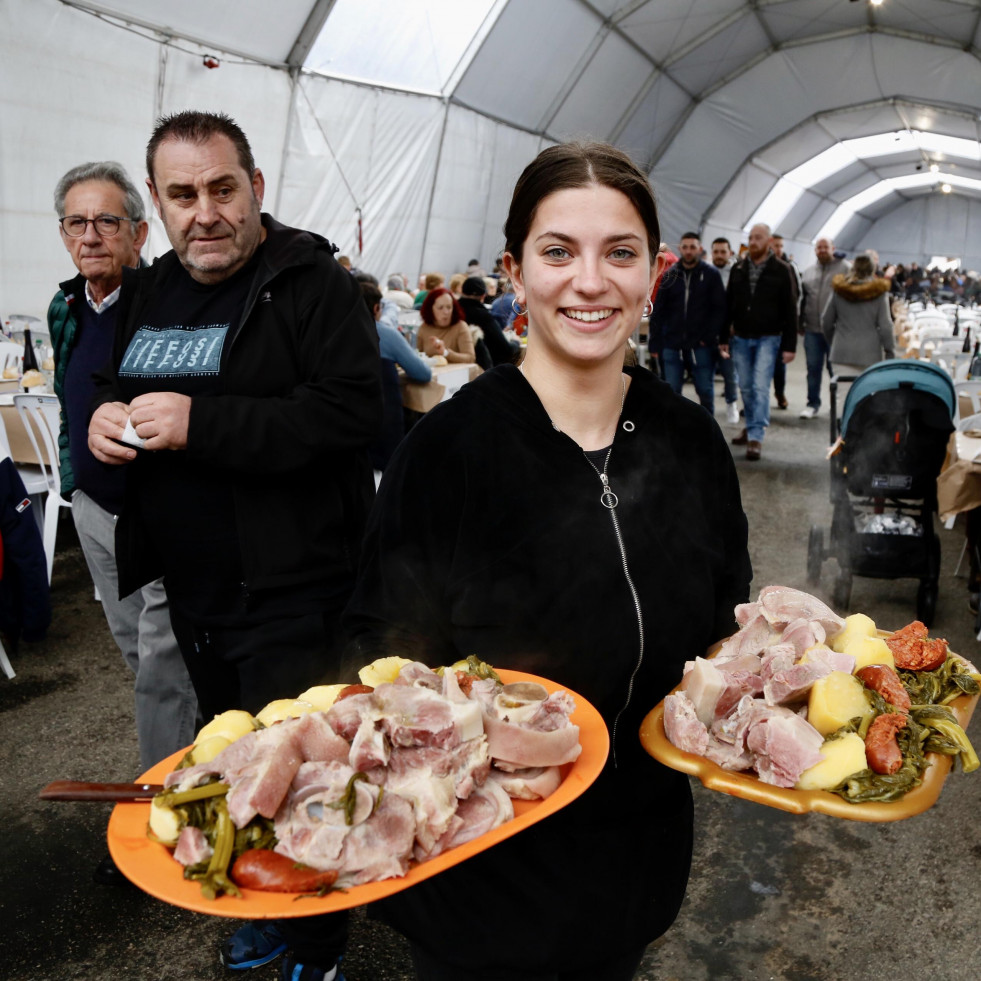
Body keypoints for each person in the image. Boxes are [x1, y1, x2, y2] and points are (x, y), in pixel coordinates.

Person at [343, 141, 752, 981]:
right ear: (515, 273)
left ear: (655, 273)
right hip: (482, 879)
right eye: (558, 251)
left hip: (633, 870)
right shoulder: (448, 450)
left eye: (620, 253)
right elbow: (377, 662)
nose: (590, 281)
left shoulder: (689, 440)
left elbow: (722, 625)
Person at [87, 111, 381, 980]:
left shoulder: (311, 283)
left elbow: (348, 415)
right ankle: (270, 905)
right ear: (158, 205)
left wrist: (201, 423)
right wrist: (104, 414)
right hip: (196, 591)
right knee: (234, 767)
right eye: (183, 194)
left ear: (257, 188)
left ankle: (318, 947)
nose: (205, 212)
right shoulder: (150, 289)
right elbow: (117, 378)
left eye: (223, 188)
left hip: (295, 592)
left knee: (306, 778)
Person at [48, 163, 197, 784]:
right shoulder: (66, 307)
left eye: (106, 221)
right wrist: (73, 479)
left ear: (139, 233)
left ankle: (163, 807)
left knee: (164, 666)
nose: (90, 236)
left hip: (159, 511)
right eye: (76, 223)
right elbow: (67, 395)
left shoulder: (169, 303)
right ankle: (200, 762)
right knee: (139, 653)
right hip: (95, 510)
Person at [721, 222, 797, 461]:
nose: (753, 242)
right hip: (741, 337)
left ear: (769, 242)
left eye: (758, 238)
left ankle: (756, 436)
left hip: (769, 337)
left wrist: (790, 345)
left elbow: (790, 309)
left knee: (760, 386)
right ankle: (752, 425)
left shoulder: (782, 270)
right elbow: (728, 305)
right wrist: (724, 337)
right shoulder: (738, 269)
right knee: (745, 386)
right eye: (751, 238)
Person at [650, 231, 726, 415]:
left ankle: (708, 433)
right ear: (680, 249)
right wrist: (656, 342)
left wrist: (708, 338)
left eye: (693, 247)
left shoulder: (711, 275)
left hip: (700, 346)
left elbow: (719, 309)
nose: (689, 251)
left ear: (699, 249)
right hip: (672, 344)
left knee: (705, 390)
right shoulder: (670, 275)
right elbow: (659, 310)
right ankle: (675, 436)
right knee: (672, 392)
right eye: (685, 247)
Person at [360, 280, 430, 473]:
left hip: (346, 424)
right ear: (376, 308)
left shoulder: (334, 333)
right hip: (383, 423)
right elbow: (423, 373)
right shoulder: (385, 335)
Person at [797, 237, 850, 419]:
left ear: (833, 248)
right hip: (812, 330)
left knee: (835, 369)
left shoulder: (845, 269)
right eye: (819, 247)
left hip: (836, 331)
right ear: (815, 250)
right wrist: (800, 322)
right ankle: (812, 404)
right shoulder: (808, 272)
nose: (822, 250)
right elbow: (802, 300)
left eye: (825, 247)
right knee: (813, 368)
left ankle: (837, 405)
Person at [822, 251, 894, 376]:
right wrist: (889, 351)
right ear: (873, 269)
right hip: (870, 354)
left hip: (841, 352)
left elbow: (826, 321)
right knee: (867, 393)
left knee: (842, 394)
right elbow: (885, 326)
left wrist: (834, 340)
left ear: (853, 268)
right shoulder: (879, 293)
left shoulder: (839, 291)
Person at [768, 233, 801, 411]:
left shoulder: (790, 267)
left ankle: (780, 393)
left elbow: (797, 295)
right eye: (775, 246)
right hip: (763, 326)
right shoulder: (760, 267)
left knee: (779, 366)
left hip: (781, 327)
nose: (778, 249)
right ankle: (759, 402)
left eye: (780, 246)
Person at [457, 275, 519, 367]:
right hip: (483, 368)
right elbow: (506, 349)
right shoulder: (483, 316)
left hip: (457, 362)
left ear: (461, 291)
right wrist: (516, 342)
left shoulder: (454, 312)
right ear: (483, 295)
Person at [710, 237, 741, 424]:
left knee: (730, 374)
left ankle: (731, 403)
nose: (719, 255)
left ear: (730, 253)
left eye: (723, 251)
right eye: (716, 251)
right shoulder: (705, 271)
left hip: (729, 334)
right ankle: (708, 411)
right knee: (705, 377)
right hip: (708, 333)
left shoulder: (736, 273)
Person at [416, 286, 476, 363]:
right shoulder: (424, 328)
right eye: (440, 308)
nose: (446, 312)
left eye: (449, 307)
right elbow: (417, 355)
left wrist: (445, 353)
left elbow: (470, 358)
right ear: (430, 309)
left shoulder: (460, 326)